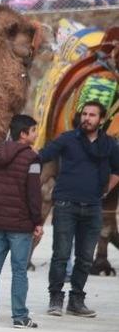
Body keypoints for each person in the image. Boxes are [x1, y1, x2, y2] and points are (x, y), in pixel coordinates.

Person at [39, 101, 119, 318]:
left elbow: (117, 170)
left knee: (85, 258)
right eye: (84, 114)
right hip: (66, 205)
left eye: (92, 115)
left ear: (101, 120)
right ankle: (56, 298)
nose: (87, 118)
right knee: (61, 255)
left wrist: (105, 190)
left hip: (93, 208)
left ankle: (76, 301)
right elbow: (42, 155)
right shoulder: (67, 139)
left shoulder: (109, 144)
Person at [0, 115, 42, 329]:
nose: (36, 134)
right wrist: (37, 221)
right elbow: (34, 193)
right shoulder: (32, 159)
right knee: (19, 271)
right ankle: (20, 316)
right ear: (23, 134)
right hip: (20, 225)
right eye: (33, 130)